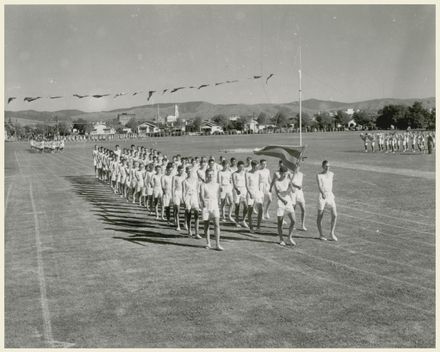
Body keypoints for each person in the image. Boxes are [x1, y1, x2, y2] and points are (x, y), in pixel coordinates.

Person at [200, 169, 223, 250]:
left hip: (215, 205)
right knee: (206, 225)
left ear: (214, 175)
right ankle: (208, 243)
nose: (210, 176)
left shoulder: (217, 185)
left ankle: (217, 244)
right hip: (206, 205)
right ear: (206, 175)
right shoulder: (203, 184)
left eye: (212, 174)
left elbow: (219, 194)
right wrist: (203, 202)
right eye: (209, 174)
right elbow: (201, 195)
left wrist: (219, 200)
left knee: (217, 224)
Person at [274, 165, 296, 246]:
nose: (285, 174)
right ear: (280, 173)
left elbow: (293, 191)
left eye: (286, 173)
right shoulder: (276, 182)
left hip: (288, 202)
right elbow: (278, 194)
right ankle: (281, 239)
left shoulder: (288, 180)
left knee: (293, 221)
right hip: (280, 203)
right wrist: (283, 200)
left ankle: (289, 237)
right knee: (280, 222)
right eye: (284, 173)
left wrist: (291, 185)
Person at [316, 160, 337, 241]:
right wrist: (323, 193)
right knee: (320, 216)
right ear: (323, 166)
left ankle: (332, 233)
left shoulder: (332, 174)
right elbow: (320, 185)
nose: (327, 167)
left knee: (335, 215)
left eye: (329, 166)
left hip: (330, 196)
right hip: (322, 196)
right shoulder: (319, 175)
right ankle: (321, 234)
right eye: (326, 166)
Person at [182, 166, 201, 239]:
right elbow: (183, 192)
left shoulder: (196, 180)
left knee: (196, 214)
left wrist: (199, 201)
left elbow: (198, 191)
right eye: (188, 171)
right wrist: (184, 201)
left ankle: (197, 233)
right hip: (187, 198)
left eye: (190, 171)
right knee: (189, 214)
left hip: (195, 198)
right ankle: (189, 231)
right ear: (186, 172)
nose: (189, 172)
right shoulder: (184, 181)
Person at [245, 160, 263, 233]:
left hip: (258, 192)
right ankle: (251, 227)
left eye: (258, 166)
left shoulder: (258, 172)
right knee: (250, 210)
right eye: (256, 166)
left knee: (261, 209)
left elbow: (260, 182)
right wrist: (250, 193)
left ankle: (258, 226)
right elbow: (247, 185)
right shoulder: (247, 173)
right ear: (252, 166)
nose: (257, 167)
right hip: (250, 192)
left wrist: (260, 192)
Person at [290, 164, 307, 231]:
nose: (297, 168)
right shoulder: (291, 174)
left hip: (300, 193)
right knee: (293, 209)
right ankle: (293, 224)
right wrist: (297, 186)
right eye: (296, 167)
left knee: (303, 209)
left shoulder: (301, 174)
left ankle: (302, 225)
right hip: (293, 193)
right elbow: (290, 183)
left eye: (298, 167)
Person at [232, 161, 248, 227]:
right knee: (237, 206)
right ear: (237, 166)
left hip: (244, 190)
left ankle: (243, 220)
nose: (241, 168)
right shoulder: (234, 174)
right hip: (237, 190)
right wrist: (237, 190)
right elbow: (234, 183)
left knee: (246, 206)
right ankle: (237, 221)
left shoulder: (245, 173)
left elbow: (247, 182)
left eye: (242, 167)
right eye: (240, 167)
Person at [172, 165, 185, 231]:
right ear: (178, 170)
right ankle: (178, 225)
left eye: (182, 170)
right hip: (177, 193)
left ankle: (185, 223)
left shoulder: (185, 176)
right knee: (177, 209)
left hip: (183, 193)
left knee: (186, 209)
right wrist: (172, 195)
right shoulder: (174, 177)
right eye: (180, 170)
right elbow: (173, 187)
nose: (181, 172)